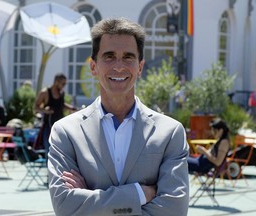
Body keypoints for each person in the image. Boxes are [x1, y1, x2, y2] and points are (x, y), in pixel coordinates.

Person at [48, 17, 189, 216]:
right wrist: (139, 193)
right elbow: (65, 207)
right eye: (109, 56)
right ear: (93, 66)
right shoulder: (66, 132)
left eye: (128, 57)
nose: (119, 66)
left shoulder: (170, 133)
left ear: (140, 67)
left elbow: (174, 210)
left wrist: (90, 199)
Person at [34, 73, 76, 153]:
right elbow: (36, 108)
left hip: (60, 126)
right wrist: (45, 111)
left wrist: (71, 108)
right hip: (48, 126)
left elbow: (61, 104)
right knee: (49, 150)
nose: (64, 86)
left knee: (61, 150)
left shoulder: (61, 93)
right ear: (56, 82)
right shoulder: (45, 92)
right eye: (63, 83)